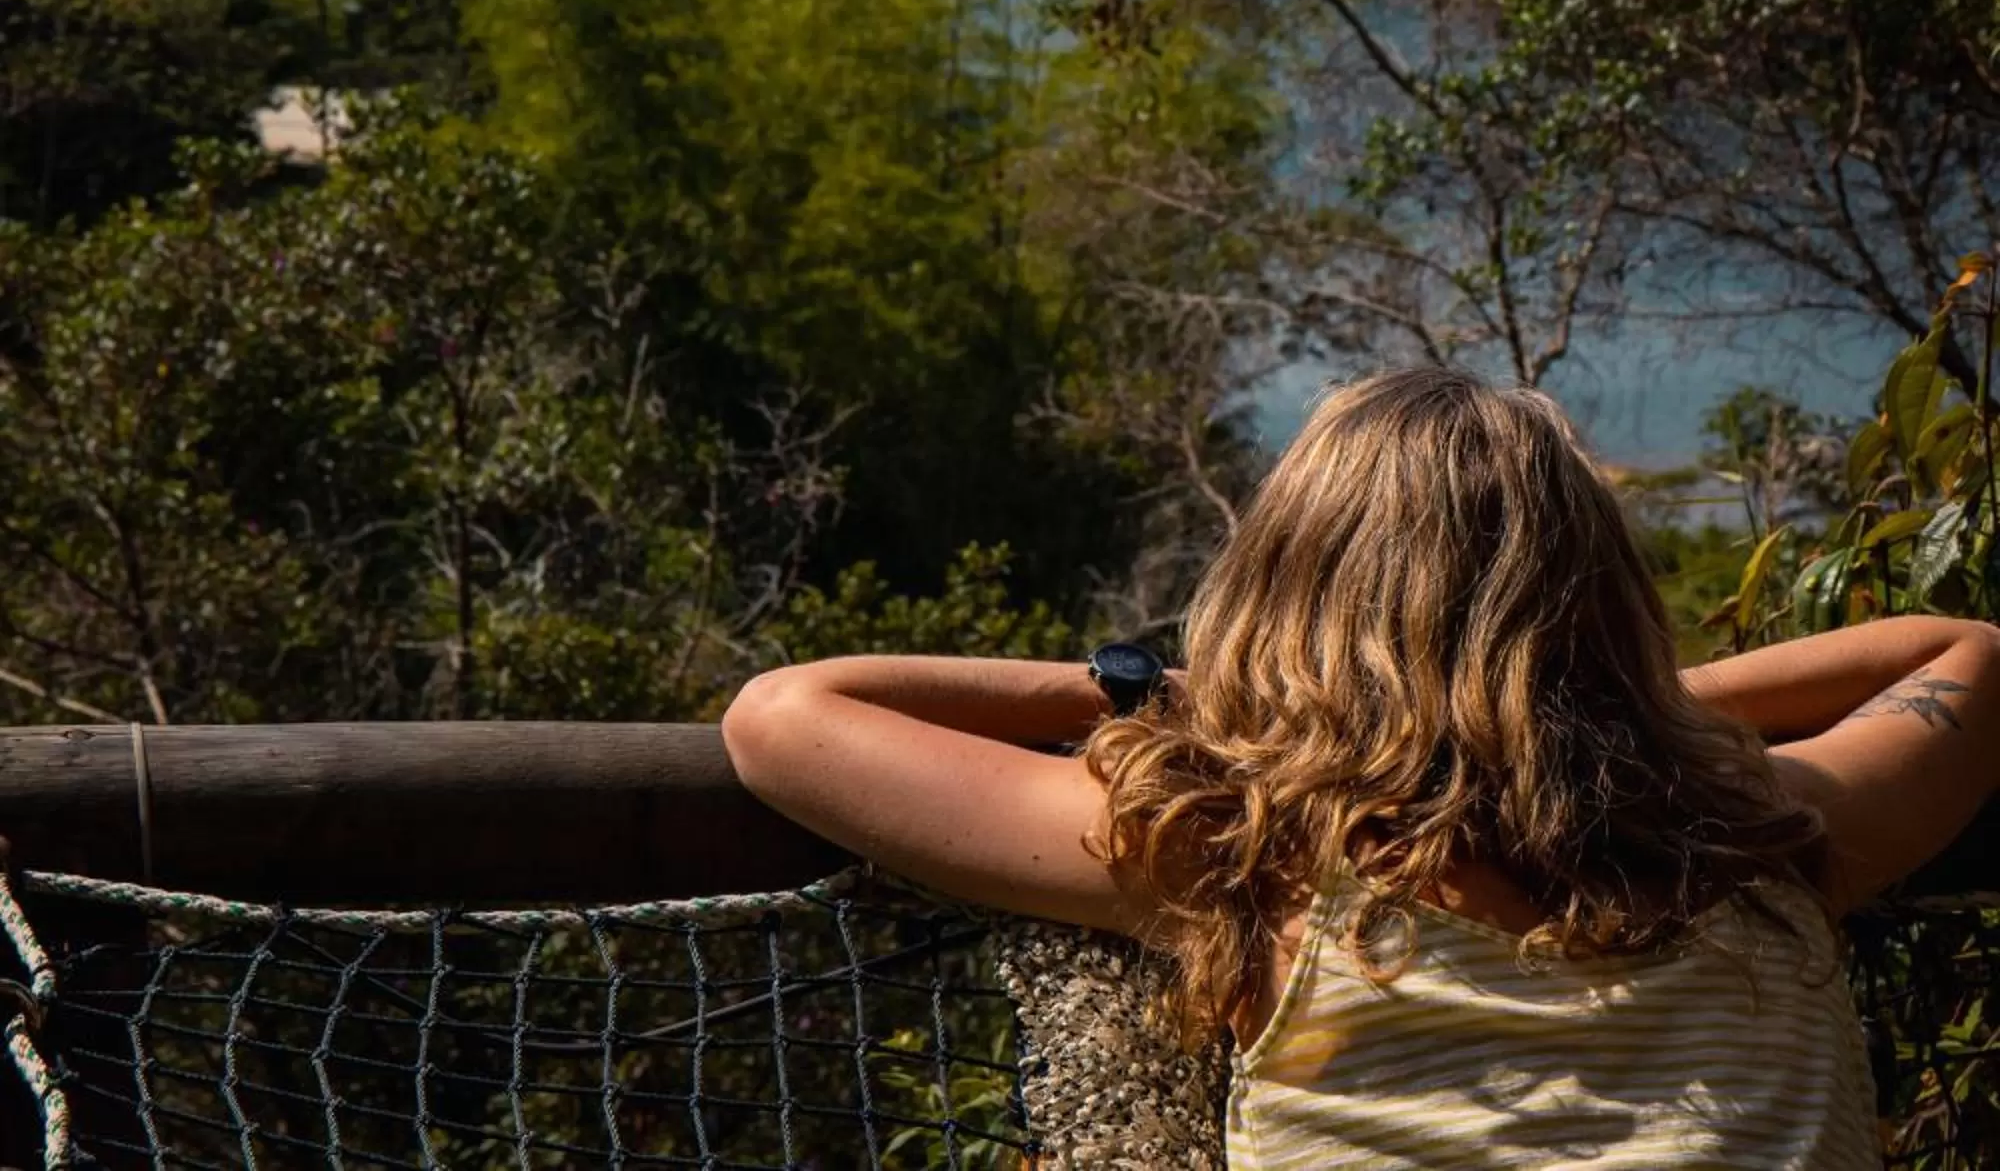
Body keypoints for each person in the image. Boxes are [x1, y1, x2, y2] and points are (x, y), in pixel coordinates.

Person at [723, 366, 2000, 1170]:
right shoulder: (1767, 829)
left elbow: (786, 715)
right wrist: (1587, 710)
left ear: (1287, 592)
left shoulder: (1241, 851)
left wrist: (1169, 696)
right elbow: (1965, 649)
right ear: (1597, 594)